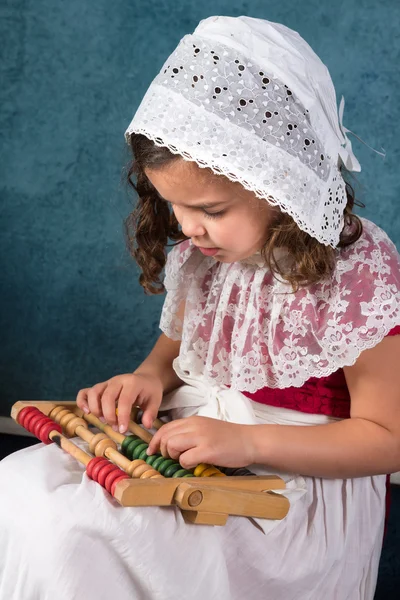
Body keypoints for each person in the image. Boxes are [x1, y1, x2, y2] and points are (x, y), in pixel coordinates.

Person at [1, 14, 399, 600]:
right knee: (18, 484)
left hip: (287, 498)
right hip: (193, 459)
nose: (190, 229)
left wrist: (250, 444)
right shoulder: (205, 256)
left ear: (281, 186)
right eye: (174, 207)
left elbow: (387, 436)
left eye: (211, 210)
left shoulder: (355, 274)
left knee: (73, 534)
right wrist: (144, 379)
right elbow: (175, 353)